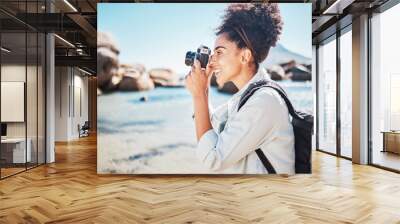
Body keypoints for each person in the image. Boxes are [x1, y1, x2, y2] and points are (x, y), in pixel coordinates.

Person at [185, 3, 295, 174]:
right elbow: (212, 126)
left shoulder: (264, 101)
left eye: (219, 52)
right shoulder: (248, 96)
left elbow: (213, 159)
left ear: (245, 56)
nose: (212, 61)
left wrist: (199, 96)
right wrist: (203, 89)